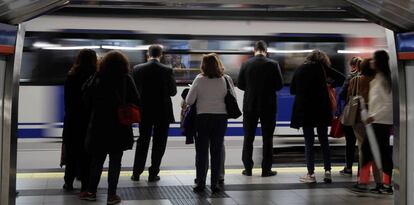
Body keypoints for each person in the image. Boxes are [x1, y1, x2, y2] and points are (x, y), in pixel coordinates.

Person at [82, 50, 140, 205]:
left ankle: (91, 192)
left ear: (104, 63)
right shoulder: (126, 78)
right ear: (123, 64)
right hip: (119, 125)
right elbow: (136, 99)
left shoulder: (97, 77)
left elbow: (86, 98)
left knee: (97, 161)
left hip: (99, 125)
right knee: (115, 162)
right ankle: (111, 195)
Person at [290, 50, 344, 183]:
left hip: (305, 110)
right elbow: (343, 78)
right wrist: (329, 84)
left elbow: (292, 90)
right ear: (323, 59)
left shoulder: (300, 69)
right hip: (321, 110)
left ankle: (311, 174)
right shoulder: (323, 69)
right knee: (324, 141)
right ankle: (327, 172)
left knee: (309, 142)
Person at [186, 53, 234, 193]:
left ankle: (200, 183)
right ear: (218, 64)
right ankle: (215, 184)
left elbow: (189, 100)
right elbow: (233, 98)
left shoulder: (199, 79)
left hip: (203, 118)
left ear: (204, 65)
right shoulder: (226, 79)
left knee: (202, 152)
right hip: (220, 119)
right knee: (216, 151)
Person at [131, 44, 177, 182]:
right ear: (160, 54)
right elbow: (173, 92)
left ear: (148, 54)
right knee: (159, 143)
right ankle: (153, 173)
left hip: (144, 111)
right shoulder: (167, 70)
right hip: (162, 112)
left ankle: (136, 173)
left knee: (143, 141)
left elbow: (134, 91)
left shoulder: (137, 69)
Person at [237, 40, 283, 177]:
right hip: (268, 106)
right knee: (267, 138)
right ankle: (266, 169)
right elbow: (279, 85)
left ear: (254, 50)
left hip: (250, 105)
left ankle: (248, 168)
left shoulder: (246, 64)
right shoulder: (273, 64)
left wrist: (251, 89)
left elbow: (240, 84)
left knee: (248, 138)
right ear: (266, 51)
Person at [352, 50, 394, 194]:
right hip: (378, 121)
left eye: (374, 59)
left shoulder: (384, 80)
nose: (371, 61)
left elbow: (389, 104)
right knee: (383, 153)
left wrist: (373, 116)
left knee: (367, 150)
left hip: (380, 122)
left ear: (379, 62)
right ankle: (386, 184)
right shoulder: (378, 78)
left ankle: (364, 182)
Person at [62, 49, 97, 195]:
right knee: (87, 154)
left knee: (71, 151)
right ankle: (85, 184)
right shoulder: (96, 76)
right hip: (89, 121)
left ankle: (68, 182)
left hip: (72, 120)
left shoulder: (71, 76)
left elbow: (68, 101)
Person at [348, 58, 383, 193]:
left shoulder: (355, 80)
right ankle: (379, 181)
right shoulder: (379, 82)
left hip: (359, 119)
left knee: (364, 149)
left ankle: (363, 181)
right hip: (376, 118)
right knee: (375, 149)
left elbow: (348, 98)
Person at [338, 57, 361, 176]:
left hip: (352, 113)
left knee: (350, 142)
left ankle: (348, 167)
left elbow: (341, 94)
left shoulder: (351, 77)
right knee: (363, 144)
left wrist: (338, 111)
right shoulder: (369, 78)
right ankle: (362, 172)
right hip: (364, 115)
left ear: (352, 66)